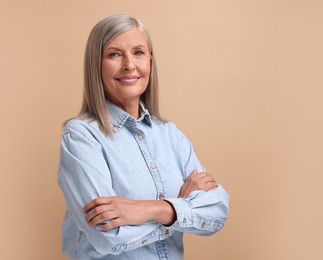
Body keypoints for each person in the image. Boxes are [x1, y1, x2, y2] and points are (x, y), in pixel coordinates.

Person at [57, 14, 229, 259]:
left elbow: (217, 213)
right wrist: (180, 209)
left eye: (138, 52)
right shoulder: (81, 136)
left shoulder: (171, 136)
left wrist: (151, 209)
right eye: (114, 54)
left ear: (150, 61)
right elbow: (108, 238)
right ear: (96, 65)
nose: (129, 65)